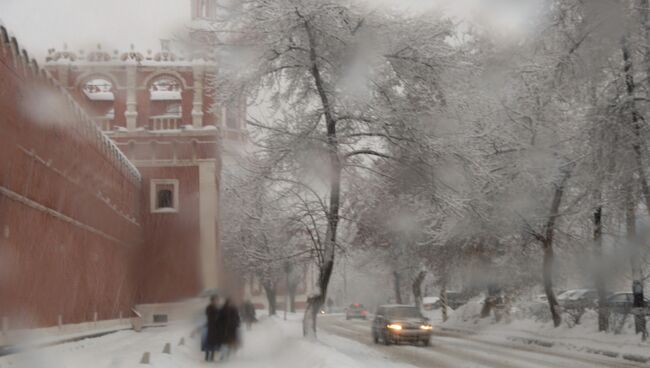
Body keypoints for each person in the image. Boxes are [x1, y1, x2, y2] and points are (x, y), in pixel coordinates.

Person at [203, 296, 221, 362]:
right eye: (215, 300)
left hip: (215, 327)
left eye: (217, 300)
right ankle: (207, 356)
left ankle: (211, 357)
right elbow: (209, 315)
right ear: (212, 301)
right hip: (211, 326)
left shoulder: (215, 308)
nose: (216, 301)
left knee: (213, 343)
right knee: (208, 342)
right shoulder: (210, 308)